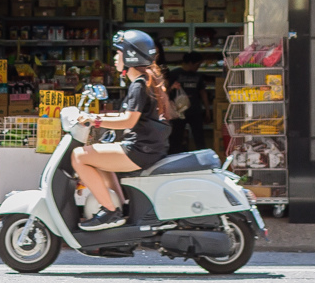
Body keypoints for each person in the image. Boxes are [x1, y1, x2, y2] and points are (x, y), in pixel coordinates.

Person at [71, 30, 172, 231]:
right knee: (99, 160)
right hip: (146, 147)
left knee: (79, 157)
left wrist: (96, 121)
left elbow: (128, 121)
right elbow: (126, 117)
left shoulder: (139, 85)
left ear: (130, 56)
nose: (116, 57)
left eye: (119, 53)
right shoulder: (144, 81)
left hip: (139, 150)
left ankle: (109, 211)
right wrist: (95, 118)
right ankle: (121, 208)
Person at [167, 52, 211, 155]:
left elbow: (202, 92)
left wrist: (207, 110)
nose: (198, 67)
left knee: (199, 137)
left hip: (195, 110)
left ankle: (203, 157)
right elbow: (165, 92)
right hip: (178, 112)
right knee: (176, 138)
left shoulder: (198, 76)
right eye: (197, 65)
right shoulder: (174, 74)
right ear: (191, 63)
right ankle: (175, 158)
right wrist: (172, 87)